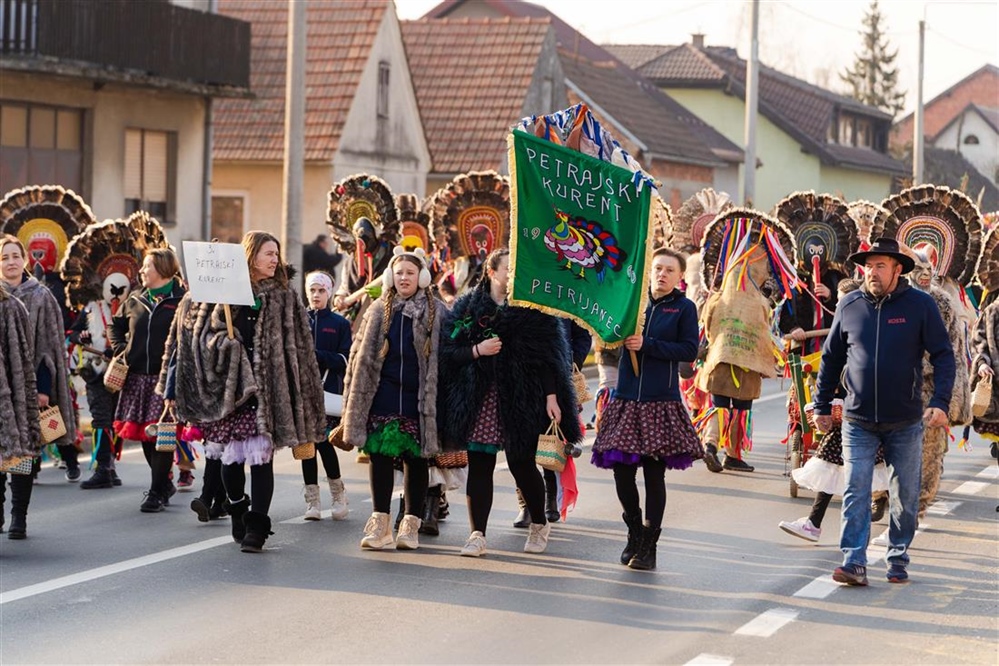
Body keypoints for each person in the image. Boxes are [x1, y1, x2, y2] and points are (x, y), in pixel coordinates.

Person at [161, 231, 325, 553]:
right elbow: (197, 336)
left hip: (266, 390)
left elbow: (301, 347)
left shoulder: (284, 296)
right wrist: (224, 346)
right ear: (251, 257)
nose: (274, 259)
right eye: (268, 253)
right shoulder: (223, 293)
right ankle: (237, 508)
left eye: (276, 253)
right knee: (231, 463)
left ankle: (257, 527)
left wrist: (303, 391)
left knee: (262, 459)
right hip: (231, 391)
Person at [814, 238, 954, 586]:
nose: (872, 272)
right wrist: (821, 405)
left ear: (897, 269)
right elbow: (830, 359)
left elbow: (943, 355)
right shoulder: (850, 304)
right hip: (857, 420)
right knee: (856, 487)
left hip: (905, 421)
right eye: (868, 265)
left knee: (905, 495)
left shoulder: (920, 306)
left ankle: (897, 555)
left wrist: (939, 402)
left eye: (880, 266)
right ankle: (854, 561)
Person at [439, 248, 582, 557]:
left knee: (522, 465)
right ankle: (477, 534)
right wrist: (478, 350)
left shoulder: (534, 307)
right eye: (509, 268)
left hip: (522, 396)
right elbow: (449, 352)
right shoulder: (467, 307)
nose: (514, 274)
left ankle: (539, 523)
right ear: (492, 272)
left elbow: (547, 359)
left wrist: (552, 397)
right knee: (480, 465)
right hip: (481, 397)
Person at [590, 248, 704, 570]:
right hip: (626, 401)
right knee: (622, 474)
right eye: (657, 268)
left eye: (669, 270)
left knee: (654, 476)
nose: (662, 274)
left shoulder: (684, 308)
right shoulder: (633, 303)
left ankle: (650, 546)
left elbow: (689, 349)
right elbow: (606, 333)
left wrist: (648, 345)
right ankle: (634, 531)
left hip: (660, 403)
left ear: (679, 276)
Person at [341, 247, 445, 551]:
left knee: (416, 459)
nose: (404, 278)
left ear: (422, 278)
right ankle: (380, 525)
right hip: (383, 394)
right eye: (399, 272)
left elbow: (448, 357)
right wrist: (351, 399)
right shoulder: (376, 310)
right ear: (390, 277)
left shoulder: (437, 311)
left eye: (410, 273)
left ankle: (410, 525)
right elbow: (357, 356)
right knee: (380, 456)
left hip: (419, 398)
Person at [0, 235, 77, 538]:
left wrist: (42, 389)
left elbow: (48, 349)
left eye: (15, 256)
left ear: (25, 260)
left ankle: (19, 514)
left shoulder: (40, 296)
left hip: (27, 388)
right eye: (4, 257)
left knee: (22, 454)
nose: (10, 262)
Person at [108, 248, 187, 512]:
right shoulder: (135, 299)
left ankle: (156, 492)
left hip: (167, 378)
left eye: (147, 266)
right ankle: (164, 483)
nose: (141, 271)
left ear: (163, 269)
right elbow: (115, 326)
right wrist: (121, 349)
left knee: (162, 435)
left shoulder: (183, 299)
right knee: (144, 434)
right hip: (137, 377)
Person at [302, 270, 352, 521]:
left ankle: (337, 494)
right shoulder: (298, 320)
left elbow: (346, 359)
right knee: (305, 446)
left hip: (327, 391)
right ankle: (312, 501)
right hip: (301, 393)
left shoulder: (340, 323)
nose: (316, 295)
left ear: (329, 293)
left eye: (321, 290)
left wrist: (319, 355)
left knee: (322, 443)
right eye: (312, 290)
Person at [0, 280, 40, 535]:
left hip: (12, 396)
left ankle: (19, 514)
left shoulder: (12, 307)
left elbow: (26, 357)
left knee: (18, 459)